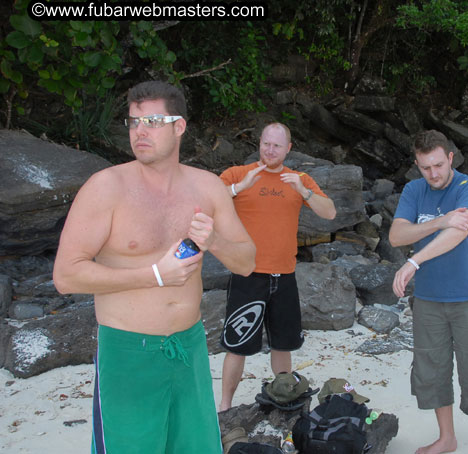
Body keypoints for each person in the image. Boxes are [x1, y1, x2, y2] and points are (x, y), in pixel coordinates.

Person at [52, 81, 256, 454]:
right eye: (133, 122)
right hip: (128, 352)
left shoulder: (207, 188)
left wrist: (215, 242)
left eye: (153, 121)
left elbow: (246, 262)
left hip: (190, 348)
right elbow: (66, 276)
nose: (140, 131)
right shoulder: (106, 187)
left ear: (179, 126)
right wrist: (154, 276)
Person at [389, 130, 468, 454]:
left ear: (450, 157)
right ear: (417, 165)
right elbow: (396, 235)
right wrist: (439, 221)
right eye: (425, 167)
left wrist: (414, 262)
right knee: (432, 369)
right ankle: (446, 438)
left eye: (438, 165)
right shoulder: (414, 190)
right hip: (429, 299)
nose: (433, 174)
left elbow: (459, 232)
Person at [218, 122, 336, 411]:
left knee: (283, 344)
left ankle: (286, 400)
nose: (270, 150)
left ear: (288, 149)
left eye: (277, 145)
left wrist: (304, 192)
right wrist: (237, 188)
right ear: (259, 143)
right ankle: (224, 405)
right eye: (266, 144)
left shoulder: (299, 179)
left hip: (284, 275)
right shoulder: (237, 174)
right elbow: (204, 203)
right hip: (247, 274)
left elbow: (330, 212)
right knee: (237, 345)